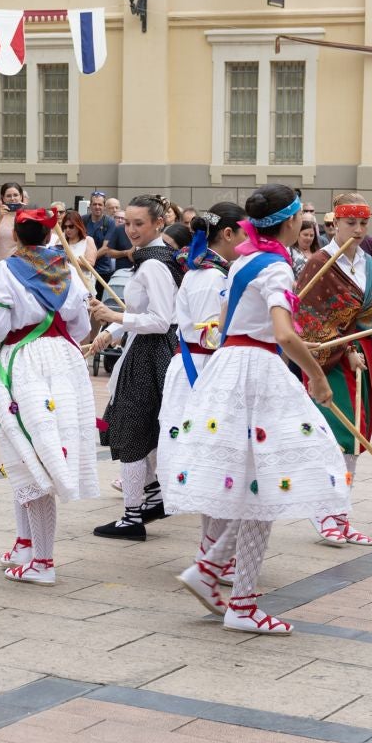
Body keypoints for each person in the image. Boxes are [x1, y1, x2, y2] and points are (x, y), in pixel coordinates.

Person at [163, 183, 350, 635]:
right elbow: (283, 334)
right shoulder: (277, 268)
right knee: (270, 484)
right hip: (257, 372)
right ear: (290, 223)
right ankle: (241, 603)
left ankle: (210, 570)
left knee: (254, 484)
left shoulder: (242, 259)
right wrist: (318, 375)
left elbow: (230, 322)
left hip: (229, 368)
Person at [0, 207, 99, 581]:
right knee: (41, 447)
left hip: (24, 361)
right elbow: (80, 323)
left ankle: (42, 561)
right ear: (49, 236)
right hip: (64, 360)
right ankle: (27, 545)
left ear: (16, 236)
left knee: (26, 449)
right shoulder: (67, 269)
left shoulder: (5, 270)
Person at [296, 193, 372, 546]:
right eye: (351, 223)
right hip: (327, 360)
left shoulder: (365, 260)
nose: (359, 230)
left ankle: (341, 515)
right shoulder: (319, 262)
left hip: (358, 357)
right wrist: (345, 349)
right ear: (335, 224)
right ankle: (323, 514)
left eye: (364, 223)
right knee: (334, 436)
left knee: (354, 440)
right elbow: (306, 317)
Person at [158, 205, 247, 588]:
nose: (247, 240)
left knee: (213, 462)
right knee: (216, 461)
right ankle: (213, 556)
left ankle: (212, 552)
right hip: (205, 371)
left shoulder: (200, 271)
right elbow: (213, 334)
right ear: (227, 234)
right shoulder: (211, 278)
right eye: (243, 232)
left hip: (195, 368)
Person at [82, 196, 180, 541]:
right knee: (144, 430)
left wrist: (114, 317)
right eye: (128, 223)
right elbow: (142, 312)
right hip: (148, 350)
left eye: (140, 224)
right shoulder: (153, 259)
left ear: (158, 224)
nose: (132, 230)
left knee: (133, 430)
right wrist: (109, 333)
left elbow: (161, 319)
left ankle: (132, 516)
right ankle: (151, 498)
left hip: (151, 354)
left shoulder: (154, 264)